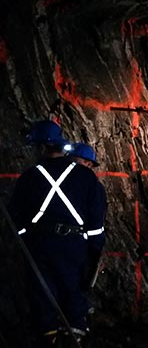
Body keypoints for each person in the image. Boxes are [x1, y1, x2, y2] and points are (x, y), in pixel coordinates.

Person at [9, 121, 106, 347]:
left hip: (39, 244)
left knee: (43, 294)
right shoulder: (86, 177)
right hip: (74, 245)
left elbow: (17, 216)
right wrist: (95, 248)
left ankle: (48, 337)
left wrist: (26, 238)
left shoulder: (29, 177)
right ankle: (75, 336)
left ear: (42, 147)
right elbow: (95, 220)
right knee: (73, 290)